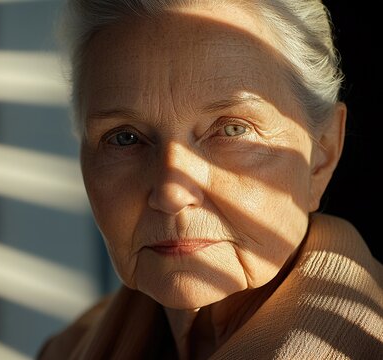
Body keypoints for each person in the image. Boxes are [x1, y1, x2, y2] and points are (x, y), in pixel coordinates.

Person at [40, 0, 383, 358]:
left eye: (232, 129)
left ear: (321, 154)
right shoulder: (67, 349)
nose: (172, 193)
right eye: (124, 137)